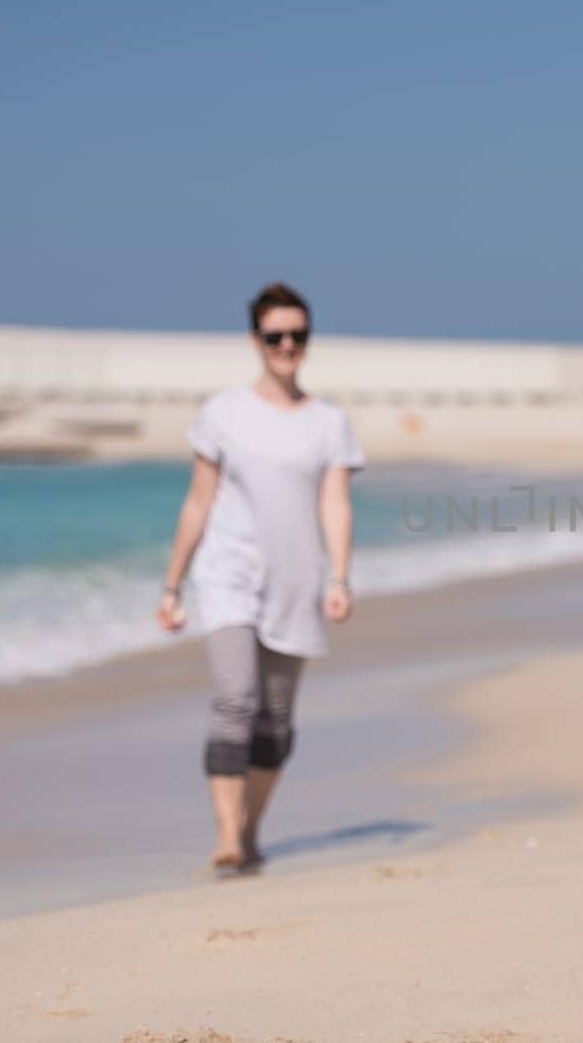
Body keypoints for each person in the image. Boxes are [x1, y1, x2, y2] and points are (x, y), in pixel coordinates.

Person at [156, 282, 366, 873]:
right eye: (275, 336)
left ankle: (250, 829)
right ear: (256, 340)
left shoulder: (329, 422)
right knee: (235, 700)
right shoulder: (222, 414)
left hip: (296, 580)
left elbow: (335, 505)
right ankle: (226, 835)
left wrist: (341, 577)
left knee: (274, 723)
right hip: (227, 575)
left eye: (297, 335)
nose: (287, 345)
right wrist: (172, 586)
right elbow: (198, 503)